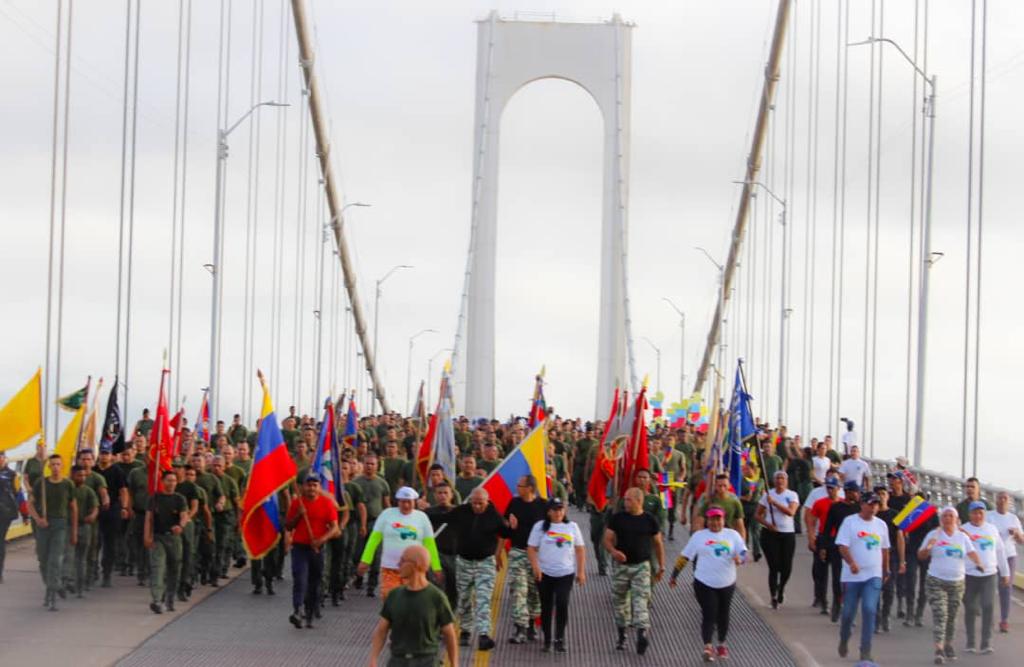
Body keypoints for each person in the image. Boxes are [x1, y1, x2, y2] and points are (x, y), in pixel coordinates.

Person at [432, 487, 508, 651]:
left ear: (487, 502)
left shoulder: (494, 515)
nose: (477, 507)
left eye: (480, 504)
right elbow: (443, 518)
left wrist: (512, 529)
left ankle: (483, 635)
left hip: (485, 563)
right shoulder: (461, 511)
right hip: (464, 562)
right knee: (464, 599)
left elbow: (505, 533)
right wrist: (421, 512)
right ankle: (465, 631)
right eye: (474, 503)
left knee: (483, 599)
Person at [669, 506, 747, 662]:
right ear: (707, 520)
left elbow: (743, 552)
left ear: (723, 520)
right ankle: (708, 646)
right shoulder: (699, 536)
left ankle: (722, 643)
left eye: (718, 519)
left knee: (723, 613)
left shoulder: (732, 535)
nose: (715, 522)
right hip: (704, 582)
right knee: (709, 612)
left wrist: (740, 559)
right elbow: (685, 556)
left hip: (726, 582)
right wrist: (674, 575)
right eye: (712, 519)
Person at [368, 545, 459, 667]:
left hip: (427, 661)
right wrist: (373, 659)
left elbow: (449, 634)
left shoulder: (437, 598)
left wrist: (454, 663)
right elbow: (381, 630)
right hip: (398, 661)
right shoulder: (394, 595)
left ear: (416, 565)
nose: (398, 564)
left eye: (403, 560)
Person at [919, 506, 984, 664]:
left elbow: (971, 552)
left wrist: (978, 563)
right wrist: (929, 547)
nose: (947, 519)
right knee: (941, 614)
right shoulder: (933, 535)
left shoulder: (962, 537)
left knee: (952, 616)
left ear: (956, 520)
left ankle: (948, 644)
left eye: (951, 516)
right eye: (945, 516)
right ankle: (939, 649)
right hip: (936, 580)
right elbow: (921, 556)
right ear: (941, 519)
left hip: (957, 582)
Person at [604, 487, 665, 654]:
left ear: (639, 501)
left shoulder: (649, 520)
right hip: (621, 568)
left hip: (641, 567)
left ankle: (642, 634)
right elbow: (607, 539)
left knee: (641, 602)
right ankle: (622, 635)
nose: (625, 502)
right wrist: (613, 551)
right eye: (625, 499)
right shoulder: (617, 518)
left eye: (629, 499)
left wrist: (661, 566)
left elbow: (658, 544)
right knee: (620, 603)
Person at [835, 492, 890, 663]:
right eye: (870, 503)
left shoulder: (881, 525)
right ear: (862, 504)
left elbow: (885, 549)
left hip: (873, 575)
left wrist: (885, 569)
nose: (873, 507)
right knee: (848, 614)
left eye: (876, 504)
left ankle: (865, 649)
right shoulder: (850, 522)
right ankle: (844, 639)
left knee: (869, 609)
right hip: (852, 576)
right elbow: (842, 546)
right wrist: (851, 562)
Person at [358, 486, 441, 599]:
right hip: (390, 568)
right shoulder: (386, 514)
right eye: (403, 502)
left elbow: (430, 544)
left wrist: (436, 566)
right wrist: (365, 560)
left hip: (414, 570)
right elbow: (374, 540)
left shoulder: (422, 517)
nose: (406, 505)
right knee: (390, 600)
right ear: (398, 502)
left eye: (409, 502)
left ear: (415, 502)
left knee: (411, 602)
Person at [527, 498, 586, 653]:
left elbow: (580, 549)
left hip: (565, 573)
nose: (558, 512)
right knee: (546, 607)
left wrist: (580, 572)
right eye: (555, 509)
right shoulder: (539, 527)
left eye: (561, 509)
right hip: (545, 573)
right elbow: (532, 548)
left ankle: (559, 638)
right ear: (549, 512)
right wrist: (536, 568)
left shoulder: (572, 527)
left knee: (562, 603)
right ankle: (547, 639)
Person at [285, 474, 340, 629]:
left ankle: (310, 612)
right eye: (308, 485)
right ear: (303, 487)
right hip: (300, 548)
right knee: (300, 578)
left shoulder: (326, 503)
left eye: (315, 485)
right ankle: (297, 610)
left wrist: (321, 540)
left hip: (317, 549)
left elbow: (334, 528)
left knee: (314, 581)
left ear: (319, 487)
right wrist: (298, 515)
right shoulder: (297, 503)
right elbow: (288, 526)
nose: (311, 488)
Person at [27, 454, 78, 610]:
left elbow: (73, 508)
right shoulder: (40, 483)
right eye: (53, 464)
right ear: (48, 466)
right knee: (43, 560)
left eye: (58, 464)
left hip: (60, 524)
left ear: (62, 466)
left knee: (55, 560)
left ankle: (52, 594)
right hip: (43, 525)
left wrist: (74, 531)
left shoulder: (68, 484)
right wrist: (38, 519)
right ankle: (55, 586)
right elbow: (30, 505)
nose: (55, 467)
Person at [502, 474, 547, 644]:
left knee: (534, 591)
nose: (517, 488)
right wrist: (509, 524)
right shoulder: (514, 503)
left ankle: (531, 624)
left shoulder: (543, 505)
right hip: (518, 552)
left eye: (520, 486)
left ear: (530, 488)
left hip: (537, 555)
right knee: (518, 590)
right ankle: (519, 627)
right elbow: (505, 528)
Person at [962, 501, 1011, 654]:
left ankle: (986, 642)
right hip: (969, 575)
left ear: (984, 514)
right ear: (970, 514)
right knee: (970, 608)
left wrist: (1005, 572)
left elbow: (1000, 552)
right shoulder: (963, 530)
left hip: (989, 574)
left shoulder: (991, 529)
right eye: (975, 513)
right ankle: (970, 642)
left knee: (988, 606)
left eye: (981, 513)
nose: (978, 516)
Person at [144, 470, 188, 614]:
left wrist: (180, 526)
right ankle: (157, 600)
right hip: (158, 537)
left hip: (173, 538)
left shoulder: (179, 499)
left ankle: (170, 597)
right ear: (162, 482)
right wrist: (147, 536)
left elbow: (184, 516)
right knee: (158, 568)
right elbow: (148, 518)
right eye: (168, 480)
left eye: (174, 480)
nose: (171, 483)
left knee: (174, 569)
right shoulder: (154, 498)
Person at [754, 470, 799, 608]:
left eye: (782, 478)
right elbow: (758, 515)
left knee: (786, 567)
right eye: (778, 478)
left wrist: (774, 503)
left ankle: (781, 588)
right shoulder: (768, 494)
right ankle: (773, 595)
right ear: (774, 480)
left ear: (786, 481)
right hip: (770, 534)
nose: (780, 481)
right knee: (774, 566)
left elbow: (791, 512)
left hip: (787, 534)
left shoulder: (792, 495)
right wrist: (768, 524)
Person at [352, 454, 392, 596]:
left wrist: (390, 523)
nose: (369, 467)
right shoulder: (356, 482)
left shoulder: (382, 483)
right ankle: (358, 577)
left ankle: (372, 585)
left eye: (373, 464)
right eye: (367, 464)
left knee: (376, 556)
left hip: (377, 523)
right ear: (363, 465)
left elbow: (387, 504)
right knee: (358, 553)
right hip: (358, 523)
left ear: (377, 466)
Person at [823, 481, 862, 622]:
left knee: (853, 579)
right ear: (847, 492)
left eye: (858, 492)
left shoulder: (860, 509)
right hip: (838, 547)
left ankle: (849, 606)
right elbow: (827, 528)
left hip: (856, 549)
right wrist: (823, 547)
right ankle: (836, 603)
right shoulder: (836, 508)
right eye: (855, 491)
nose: (857, 494)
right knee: (838, 577)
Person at [95, 446, 129, 588]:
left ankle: (107, 573)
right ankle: (92, 570)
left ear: (111, 456)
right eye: (102, 453)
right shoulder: (93, 471)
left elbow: (123, 490)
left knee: (110, 543)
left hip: (112, 509)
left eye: (106, 454)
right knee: (95, 542)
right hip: (95, 509)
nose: (104, 456)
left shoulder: (117, 471)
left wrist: (124, 507)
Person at [806, 477, 842, 614]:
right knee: (820, 572)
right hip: (823, 538)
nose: (830, 490)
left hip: (838, 540)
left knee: (837, 574)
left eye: (833, 488)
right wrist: (811, 537)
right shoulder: (820, 503)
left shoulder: (843, 505)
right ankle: (822, 600)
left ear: (838, 488)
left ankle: (836, 603)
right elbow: (812, 520)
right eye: (828, 488)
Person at [989, 491, 1023, 633]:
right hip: (992, 556)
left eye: (1005, 499)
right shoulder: (989, 516)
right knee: (989, 588)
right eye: (1000, 498)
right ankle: (988, 617)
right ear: (996, 500)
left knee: (1006, 588)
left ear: (1009, 502)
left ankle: (1004, 620)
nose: (1002, 501)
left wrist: (1016, 533)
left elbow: (1021, 541)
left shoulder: (1013, 518)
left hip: (1009, 555)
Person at [874, 485, 906, 632]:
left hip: (891, 555)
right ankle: (876, 618)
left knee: (889, 589)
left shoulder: (895, 514)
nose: (881, 496)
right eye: (878, 494)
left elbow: (900, 538)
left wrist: (902, 560)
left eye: (883, 494)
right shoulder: (872, 515)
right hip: (873, 554)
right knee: (874, 588)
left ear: (888, 496)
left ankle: (886, 615)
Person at [64, 465, 99, 597]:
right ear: (72, 475)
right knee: (69, 555)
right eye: (79, 475)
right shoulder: (67, 490)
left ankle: (80, 586)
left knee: (82, 558)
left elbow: (95, 506)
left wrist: (92, 515)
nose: (82, 478)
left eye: (84, 475)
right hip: (68, 526)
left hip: (84, 527)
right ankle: (69, 581)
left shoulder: (88, 491)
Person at [423, 482, 459, 611]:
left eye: (445, 493)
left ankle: (450, 615)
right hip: (436, 555)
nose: (443, 496)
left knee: (453, 588)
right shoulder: (427, 513)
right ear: (435, 495)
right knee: (437, 587)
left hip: (455, 555)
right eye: (440, 493)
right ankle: (437, 616)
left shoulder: (458, 511)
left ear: (451, 495)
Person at [0, 449, 30, 582]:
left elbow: (20, 495)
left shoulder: (12, 475)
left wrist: (25, 514)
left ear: (4, 459)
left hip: (5, 513)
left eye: (1, 457)